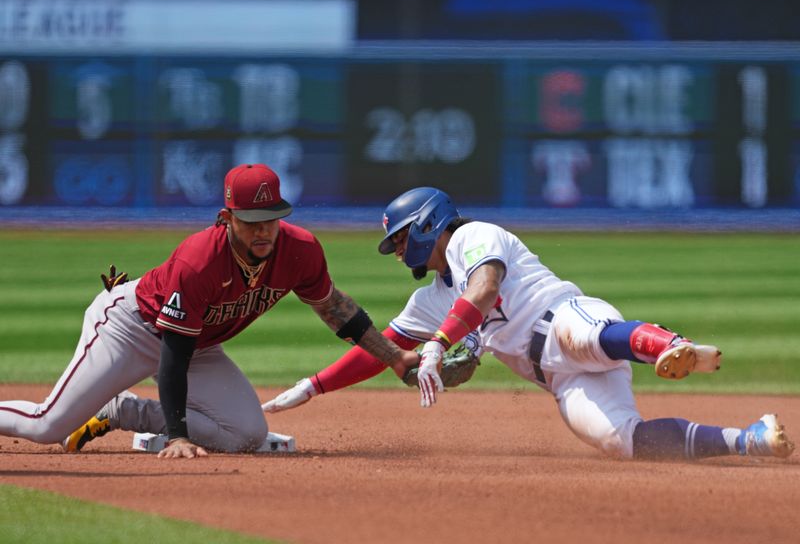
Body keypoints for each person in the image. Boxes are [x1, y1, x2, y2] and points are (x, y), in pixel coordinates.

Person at [263, 187, 795, 461]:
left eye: (401, 237)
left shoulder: (477, 237)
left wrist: (441, 343)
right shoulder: (430, 299)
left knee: (584, 338)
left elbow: (485, 288)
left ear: (428, 222)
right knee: (621, 442)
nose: (398, 250)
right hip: (559, 380)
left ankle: (668, 345)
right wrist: (313, 386)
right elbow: (380, 347)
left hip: (564, 317)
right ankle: (747, 440)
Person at [0, 164, 411, 459]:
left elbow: (336, 309)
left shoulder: (299, 250)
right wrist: (176, 436)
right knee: (47, 426)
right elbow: (173, 357)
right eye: (251, 221)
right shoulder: (199, 262)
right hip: (131, 328)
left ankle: (121, 410)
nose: (264, 229)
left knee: (247, 434)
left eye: (271, 218)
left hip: (198, 342)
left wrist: (395, 358)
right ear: (226, 218)